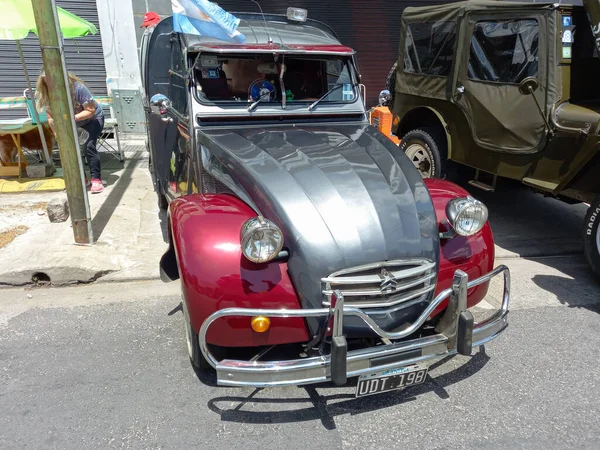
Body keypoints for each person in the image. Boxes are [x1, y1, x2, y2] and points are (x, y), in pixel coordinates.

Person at [35, 71, 105, 193]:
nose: (50, 84)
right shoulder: (46, 93)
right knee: (71, 149)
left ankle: (96, 179)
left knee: (88, 146)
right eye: (46, 81)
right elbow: (51, 117)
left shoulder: (78, 88)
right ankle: (82, 179)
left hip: (92, 119)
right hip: (71, 122)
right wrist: (56, 134)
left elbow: (90, 110)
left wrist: (73, 118)